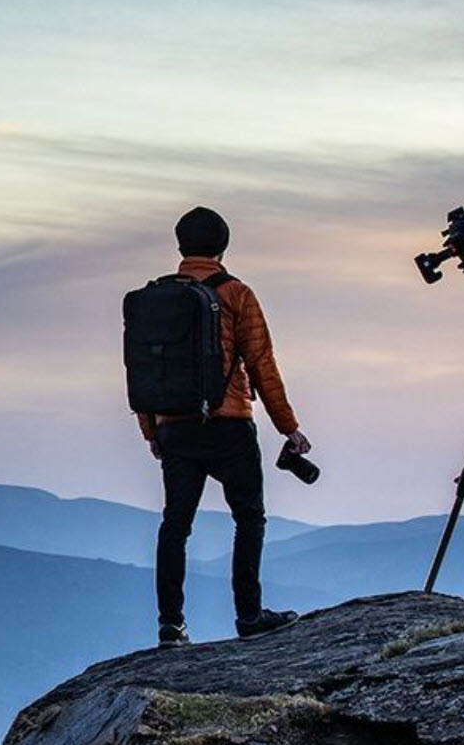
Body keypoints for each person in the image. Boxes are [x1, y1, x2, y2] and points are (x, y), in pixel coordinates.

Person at [136, 206, 311, 647]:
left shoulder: (155, 299)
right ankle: (249, 615)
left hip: (175, 426)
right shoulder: (236, 294)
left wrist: (152, 430)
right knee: (249, 517)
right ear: (223, 245)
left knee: (175, 525)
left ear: (180, 246)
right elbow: (261, 364)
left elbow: (143, 368)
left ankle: (170, 625)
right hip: (229, 423)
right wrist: (289, 427)